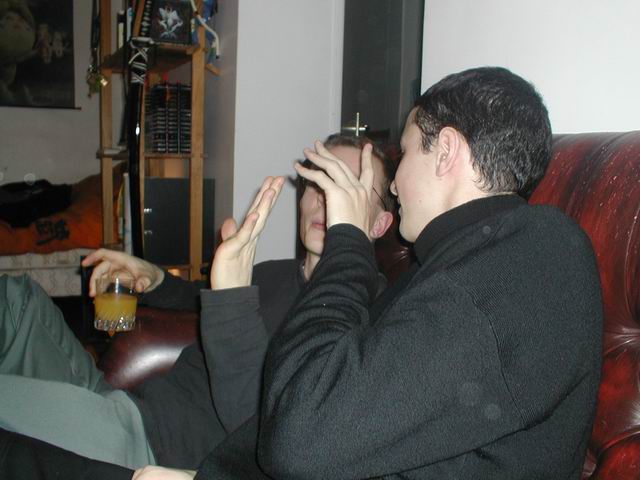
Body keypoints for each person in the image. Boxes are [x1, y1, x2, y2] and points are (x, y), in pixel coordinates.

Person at [171, 66, 601, 480]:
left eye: (406, 153)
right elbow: (312, 418)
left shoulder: (535, 256)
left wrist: (348, 241)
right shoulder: (444, 268)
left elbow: (300, 433)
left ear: (446, 151)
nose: (394, 185)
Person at [0, 134, 395, 471]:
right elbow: (200, 303)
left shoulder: (369, 322)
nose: (326, 200)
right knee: (16, 299)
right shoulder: (275, 273)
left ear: (378, 223)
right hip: (125, 407)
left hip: (152, 451)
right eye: (319, 182)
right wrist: (153, 276)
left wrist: (232, 298)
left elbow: (273, 432)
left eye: (347, 190)